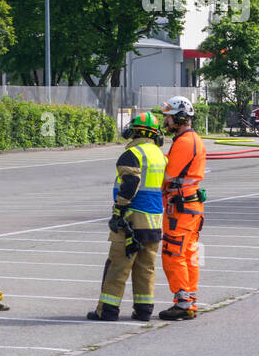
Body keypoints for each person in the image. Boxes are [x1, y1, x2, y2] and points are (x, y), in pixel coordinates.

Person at [87, 111, 167, 321]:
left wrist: (119, 210)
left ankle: (108, 310)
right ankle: (143, 311)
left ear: (135, 130)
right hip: (154, 219)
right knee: (146, 268)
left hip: (132, 219)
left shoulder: (132, 154)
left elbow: (131, 182)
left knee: (119, 266)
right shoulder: (159, 155)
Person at [159, 96, 207, 320]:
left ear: (180, 117)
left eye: (168, 116)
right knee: (189, 254)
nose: (165, 121)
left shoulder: (184, 142)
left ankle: (182, 302)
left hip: (180, 208)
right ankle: (190, 300)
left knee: (172, 253)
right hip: (192, 206)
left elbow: (167, 176)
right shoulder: (193, 139)